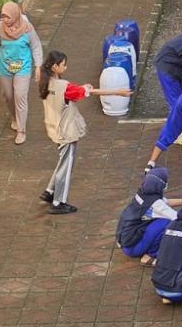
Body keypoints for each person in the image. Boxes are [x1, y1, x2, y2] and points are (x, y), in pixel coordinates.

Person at [39, 50, 132, 214]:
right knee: (66, 166)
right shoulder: (64, 86)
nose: (65, 68)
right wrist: (117, 92)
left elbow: (74, 92)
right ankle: (58, 202)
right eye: (63, 65)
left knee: (63, 161)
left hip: (53, 127)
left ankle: (49, 191)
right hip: (66, 131)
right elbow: (86, 93)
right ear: (55, 67)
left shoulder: (46, 82)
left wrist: (82, 88)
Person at [0, 1, 44, 145]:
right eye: (3, 16)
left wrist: (38, 66)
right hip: (4, 68)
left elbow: (36, 46)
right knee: (8, 96)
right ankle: (15, 118)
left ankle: (21, 130)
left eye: (7, 17)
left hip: (23, 67)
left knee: (20, 96)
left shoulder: (27, 28)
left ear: (15, 15)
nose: (5, 20)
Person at [115, 167, 182, 266]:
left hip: (124, 240)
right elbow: (178, 218)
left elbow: (165, 202)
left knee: (159, 220)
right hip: (132, 248)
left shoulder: (143, 192)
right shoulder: (155, 204)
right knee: (169, 224)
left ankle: (147, 247)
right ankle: (151, 255)